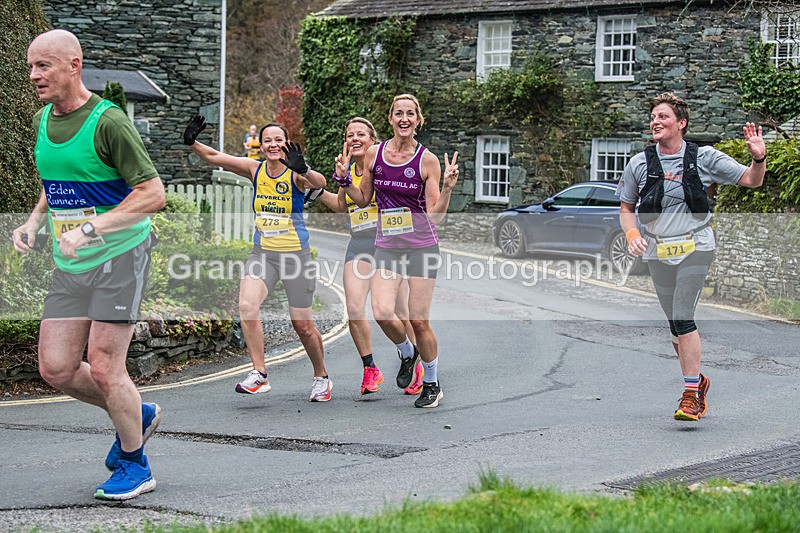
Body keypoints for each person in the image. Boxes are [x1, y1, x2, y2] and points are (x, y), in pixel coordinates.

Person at [12, 29, 166, 501]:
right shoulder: (43, 121)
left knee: (103, 367)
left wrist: (92, 228)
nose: (34, 75)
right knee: (56, 368)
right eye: (32, 66)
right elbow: (59, 178)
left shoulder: (109, 121)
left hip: (119, 256)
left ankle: (135, 464)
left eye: (45, 66)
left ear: (74, 65)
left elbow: (153, 194)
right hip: (70, 261)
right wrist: (35, 220)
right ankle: (135, 414)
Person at [617, 92, 766, 422]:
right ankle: (698, 380)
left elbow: (752, 182)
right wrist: (632, 235)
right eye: (653, 116)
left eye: (664, 117)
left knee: (683, 315)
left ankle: (689, 397)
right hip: (658, 250)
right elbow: (626, 209)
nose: (656, 121)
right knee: (675, 327)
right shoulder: (640, 163)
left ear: (681, 124)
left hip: (697, 244)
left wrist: (758, 159)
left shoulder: (706, 158)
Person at [182, 116, 334, 401]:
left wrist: (305, 169)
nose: (273, 145)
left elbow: (320, 183)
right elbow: (217, 157)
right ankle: (259, 373)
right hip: (263, 253)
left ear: (286, 144)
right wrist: (193, 143)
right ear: (261, 146)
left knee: (302, 325)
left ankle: (321, 376)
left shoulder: (296, 174)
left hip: (295, 257)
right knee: (246, 305)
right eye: (268, 141)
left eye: (279, 140)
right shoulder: (255, 169)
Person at [334, 94, 459, 408]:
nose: (404, 119)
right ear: (390, 119)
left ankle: (431, 380)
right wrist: (344, 178)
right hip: (387, 246)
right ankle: (407, 353)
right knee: (382, 312)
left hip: (421, 247)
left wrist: (446, 189)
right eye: (398, 113)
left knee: (418, 321)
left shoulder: (426, 160)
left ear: (418, 119)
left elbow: (436, 216)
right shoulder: (375, 155)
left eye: (410, 114)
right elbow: (362, 199)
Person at [307, 117, 420, 396]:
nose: (354, 138)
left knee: (398, 311)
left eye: (360, 134)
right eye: (349, 135)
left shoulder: (383, 166)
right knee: (354, 309)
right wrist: (319, 192)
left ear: (373, 141)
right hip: (358, 243)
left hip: (388, 244)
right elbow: (340, 206)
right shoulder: (347, 169)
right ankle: (370, 369)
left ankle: (416, 363)